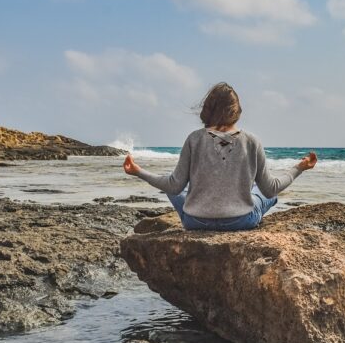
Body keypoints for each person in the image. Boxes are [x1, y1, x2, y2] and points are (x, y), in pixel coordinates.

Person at [123, 82, 317, 231]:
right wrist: (299, 167)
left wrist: (138, 171)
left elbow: (174, 186)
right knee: (263, 192)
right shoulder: (252, 141)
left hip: (195, 222)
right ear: (236, 111)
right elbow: (271, 188)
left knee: (173, 183)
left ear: (207, 109)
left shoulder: (194, 139)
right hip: (241, 221)